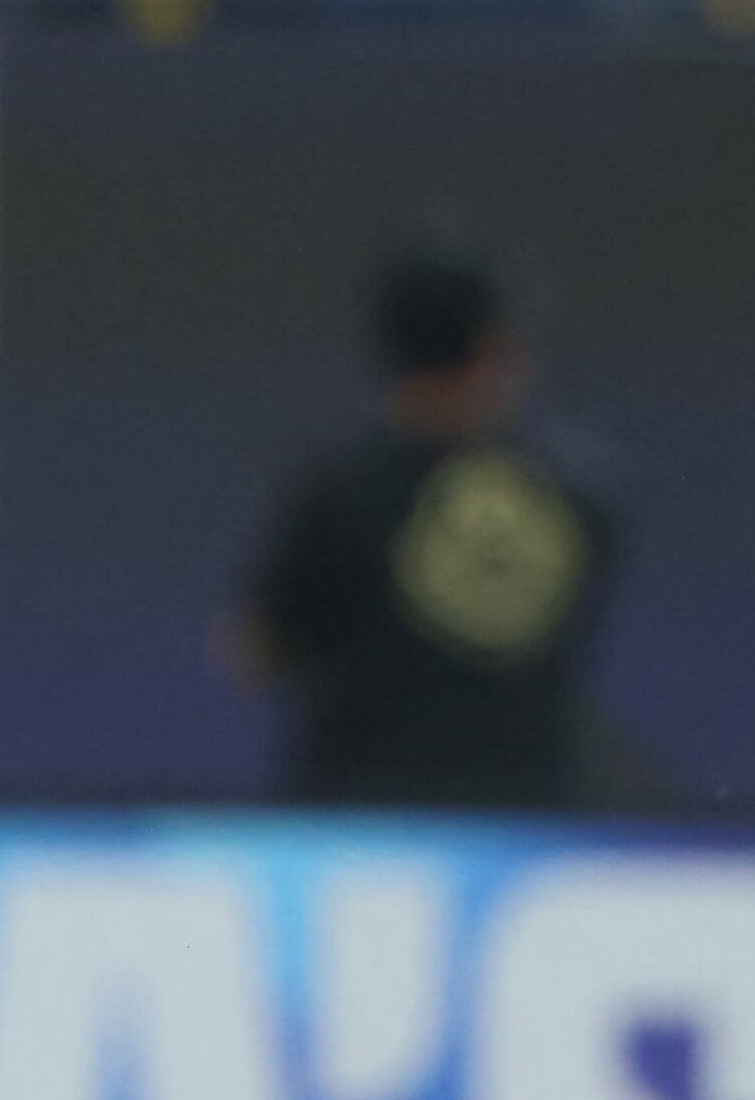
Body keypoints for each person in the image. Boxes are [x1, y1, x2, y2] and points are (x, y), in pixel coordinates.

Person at [227, 246, 618, 806]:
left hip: (362, 816)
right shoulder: (577, 499)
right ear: (494, 349)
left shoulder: (338, 494)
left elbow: (259, 654)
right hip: (521, 815)